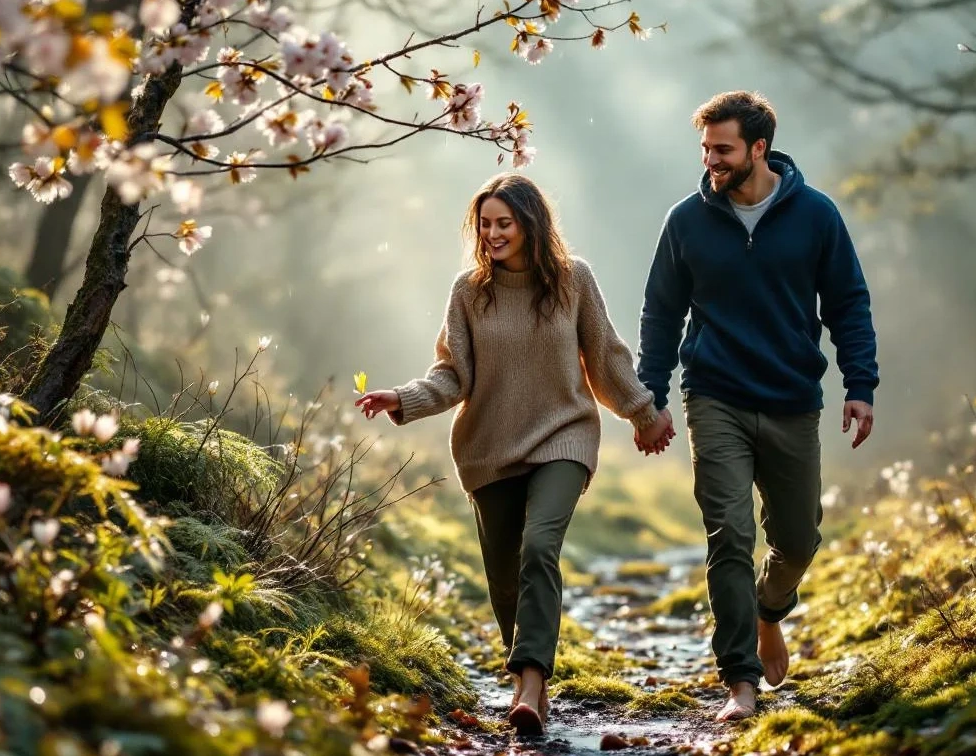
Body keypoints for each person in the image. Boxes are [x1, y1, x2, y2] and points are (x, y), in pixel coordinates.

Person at [355, 172, 676, 736]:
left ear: (531, 224)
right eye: (485, 224)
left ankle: (530, 680)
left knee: (539, 546)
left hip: (564, 435)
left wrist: (645, 414)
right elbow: (454, 376)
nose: (493, 234)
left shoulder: (574, 280)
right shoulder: (468, 291)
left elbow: (605, 358)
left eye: (504, 223)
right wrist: (400, 398)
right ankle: (531, 680)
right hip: (489, 446)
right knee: (504, 577)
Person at [633, 91, 879, 722]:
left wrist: (860, 385)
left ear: (759, 148)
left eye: (724, 149)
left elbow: (848, 302)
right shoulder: (686, 220)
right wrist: (649, 399)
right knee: (730, 534)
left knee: (797, 540)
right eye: (706, 148)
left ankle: (771, 610)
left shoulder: (816, 215)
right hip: (714, 396)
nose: (711, 160)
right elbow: (661, 313)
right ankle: (738, 682)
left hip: (794, 398)